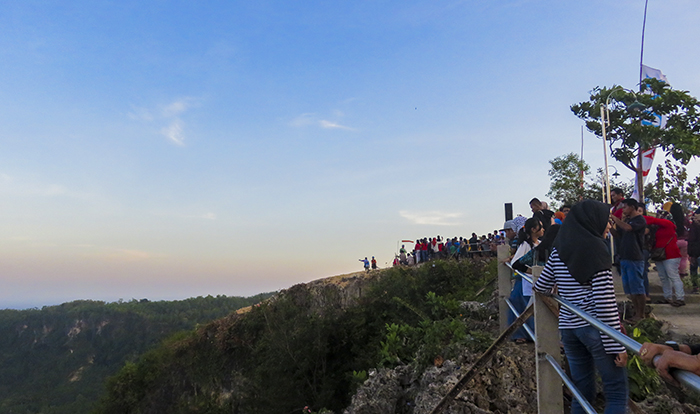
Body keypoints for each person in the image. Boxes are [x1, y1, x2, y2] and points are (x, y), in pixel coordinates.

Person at [533, 200, 628, 414]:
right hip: (596, 330)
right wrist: (617, 344)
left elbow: (541, 286)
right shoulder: (597, 249)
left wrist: (568, 294)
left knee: (581, 393)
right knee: (616, 392)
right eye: (606, 221)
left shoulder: (559, 250)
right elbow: (605, 302)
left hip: (569, 330)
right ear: (592, 221)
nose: (609, 227)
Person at [507, 217, 544, 344]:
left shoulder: (539, 244)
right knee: (521, 307)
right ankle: (520, 334)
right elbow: (515, 263)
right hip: (525, 282)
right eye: (540, 226)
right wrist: (532, 271)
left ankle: (532, 334)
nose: (543, 229)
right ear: (533, 230)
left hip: (534, 282)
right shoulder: (525, 245)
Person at [610, 198, 647, 322]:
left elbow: (628, 228)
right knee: (630, 289)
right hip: (625, 257)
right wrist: (609, 226)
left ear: (632, 207)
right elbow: (618, 235)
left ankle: (640, 314)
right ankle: (636, 313)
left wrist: (616, 219)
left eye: (625, 207)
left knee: (637, 287)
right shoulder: (627, 222)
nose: (623, 210)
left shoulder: (639, 220)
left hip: (634, 257)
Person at [646, 210, 685, 306]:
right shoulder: (658, 227)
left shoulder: (669, 224)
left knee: (673, 276)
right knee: (664, 277)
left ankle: (680, 297)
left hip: (670, 254)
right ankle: (668, 296)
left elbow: (654, 220)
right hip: (662, 254)